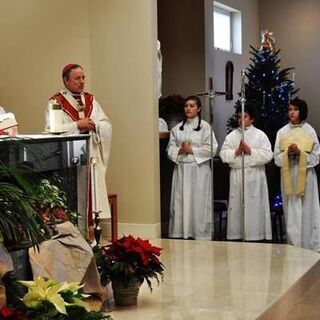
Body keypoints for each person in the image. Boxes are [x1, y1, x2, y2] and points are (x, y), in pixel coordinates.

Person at [45, 64, 112, 239]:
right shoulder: (56, 102)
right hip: (70, 159)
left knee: (92, 198)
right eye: (77, 78)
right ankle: (74, 236)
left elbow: (106, 124)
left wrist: (96, 125)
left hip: (91, 156)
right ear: (66, 80)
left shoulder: (90, 100)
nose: (82, 82)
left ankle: (92, 235)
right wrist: (77, 125)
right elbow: (53, 129)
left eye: (83, 78)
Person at [167, 95, 218, 240]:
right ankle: (181, 232)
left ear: (199, 108)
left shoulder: (205, 127)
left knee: (199, 202)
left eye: (191, 106)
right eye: (186, 106)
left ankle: (199, 233)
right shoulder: (177, 129)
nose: (188, 108)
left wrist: (192, 150)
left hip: (199, 169)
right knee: (180, 202)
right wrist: (180, 150)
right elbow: (170, 149)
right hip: (182, 169)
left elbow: (212, 149)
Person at [220, 104, 273, 241]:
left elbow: (268, 155)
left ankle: (256, 235)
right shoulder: (232, 136)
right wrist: (236, 152)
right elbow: (223, 154)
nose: (240, 120)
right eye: (238, 117)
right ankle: (237, 235)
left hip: (254, 176)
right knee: (237, 207)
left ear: (252, 119)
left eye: (244, 117)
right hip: (237, 177)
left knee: (254, 207)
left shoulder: (260, 135)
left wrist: (250, 151)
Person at [274, 98, 320, 251]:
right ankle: (294, 246)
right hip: (289, 176)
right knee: (291, 210)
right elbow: (276, 158)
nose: (292, 112)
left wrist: (300, 154)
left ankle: (309, 246)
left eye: (295, 109)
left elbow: (316, 157)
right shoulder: (282, 132)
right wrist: (288, 154)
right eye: (289, 109)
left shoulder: (310, 131)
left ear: (302, 111)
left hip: (306, 177)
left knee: (308, 210)